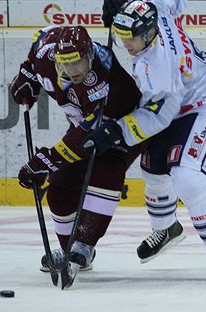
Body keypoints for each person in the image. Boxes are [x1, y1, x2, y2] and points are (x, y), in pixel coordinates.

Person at [97, 0, 206, 278]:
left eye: (130, 39)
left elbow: (160, 117)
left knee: (186, 177)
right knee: (152, 170)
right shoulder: (155, 6)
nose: (125, 45)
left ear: (148, 34)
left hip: (203, 104)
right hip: (175, 100)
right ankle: (166, 229)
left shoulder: (157, 68)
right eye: (120, 35)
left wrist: (117, 130)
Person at [11, 25, 143, 281]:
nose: (72, 71)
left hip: (125, 124)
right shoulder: (47, 52)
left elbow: (89, 133)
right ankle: (66, 247)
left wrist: (47, 160)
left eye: (78, 63)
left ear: (90, 55)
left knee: (107, 169)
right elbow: (39, 40)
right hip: (83, 127)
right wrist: (26, 75)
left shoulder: (103, 79)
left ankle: (83, 245)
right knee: (60, 186)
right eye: (65, 64)